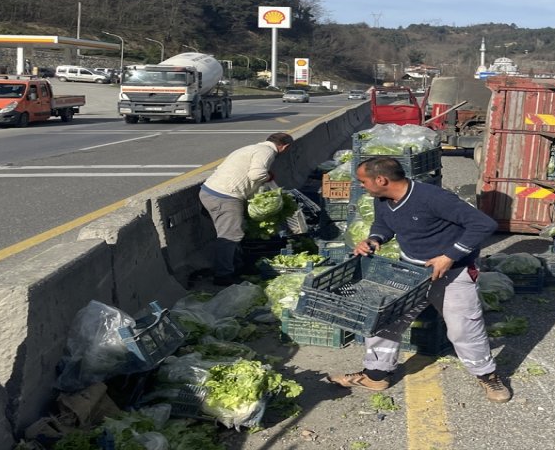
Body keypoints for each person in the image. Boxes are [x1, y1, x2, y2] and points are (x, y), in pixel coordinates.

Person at [328, 157, 511, 404]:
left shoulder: (433, 198)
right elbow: (383, 224)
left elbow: (483, 224)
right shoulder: (382, 199)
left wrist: (449, 256)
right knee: (384, 320)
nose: (360, 185)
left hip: (453, 272)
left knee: (463, 328)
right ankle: (376, 375)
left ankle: (487, 375)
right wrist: (375, 239)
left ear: (381, 180)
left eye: (363, 181)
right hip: (410, 271)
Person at [198, 132, 294, 285]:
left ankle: (236, 267)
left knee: (231, 232)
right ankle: (223, 276)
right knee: (230, 236)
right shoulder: (267, 152)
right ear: (285, 147)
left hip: (211, 191)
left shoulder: (252, 148)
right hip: (225, 196)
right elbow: (256, 174)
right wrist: (269, 177)